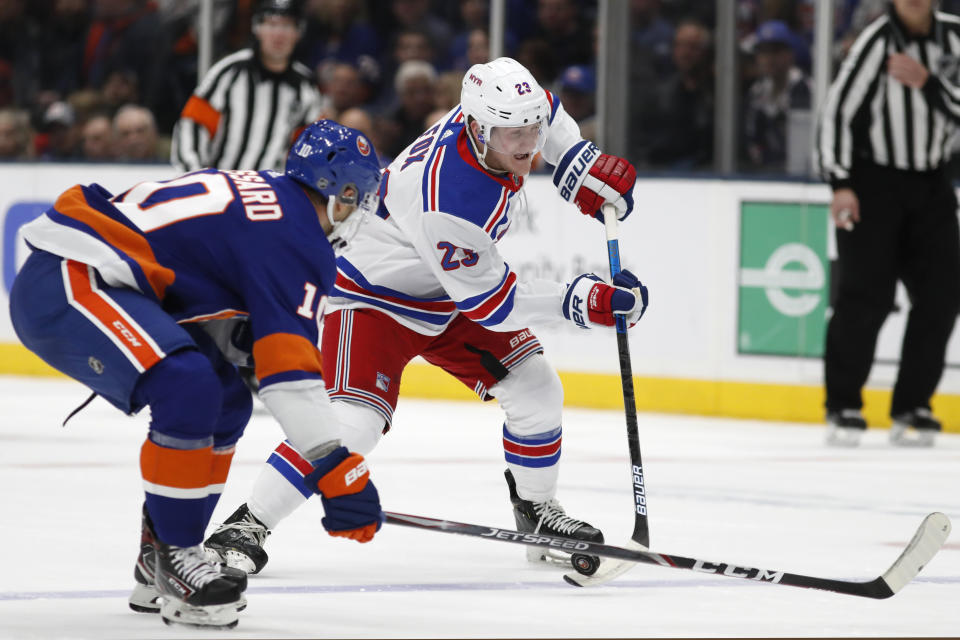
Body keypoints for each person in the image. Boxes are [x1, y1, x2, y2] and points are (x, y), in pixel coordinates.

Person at [203, 57, 647, 576]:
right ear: (478, 128)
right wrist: (580, 302)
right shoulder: (448, 198)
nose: (527, 145)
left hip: (445, 291)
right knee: (353, 425)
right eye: (513, 136)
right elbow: (494, 306)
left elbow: (549, 115)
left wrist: (579, 163)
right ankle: (245, 525)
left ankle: (538, 512)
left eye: (531, 131)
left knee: (536, 389)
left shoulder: (499, 118)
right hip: (373, 299)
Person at [8, 120, 386, 629]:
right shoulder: (298, 236)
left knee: (227, 402)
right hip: (71, 278)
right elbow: (290, 377)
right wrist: (335, 467)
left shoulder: (274, 203)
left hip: (93, 275)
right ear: (339, 194)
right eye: (357, 200)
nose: (357, 216)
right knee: (188, 385)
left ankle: (160, 556)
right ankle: (179, 556)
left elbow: (195, 276)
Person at [815, 0, 960, 447]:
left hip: (934, 184)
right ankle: (843, 403)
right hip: (873, 184)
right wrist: (840, 181)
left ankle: (913, 403)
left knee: (941, 294)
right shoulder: (877, 39)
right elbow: (838, 110)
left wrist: (929, 84)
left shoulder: (955, 37)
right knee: (865, 296)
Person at [170, 0, 322, 172]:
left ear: (298, 32)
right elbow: (192, 128)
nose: (279, 34)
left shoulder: (306, 86)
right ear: (257, 28)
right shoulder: (228, 73)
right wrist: (195, 177)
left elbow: (305, 150)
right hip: (221, 188)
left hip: (271, 193)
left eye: (287, 26)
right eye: (271, 24)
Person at [744, 19, 812, 172]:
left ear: (790, 54)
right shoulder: (757, 91)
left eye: (775, 51)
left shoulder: (804, 88)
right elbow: (751, 138)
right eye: (763, 51)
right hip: (764, 173)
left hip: (800, 172)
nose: (769, 58)